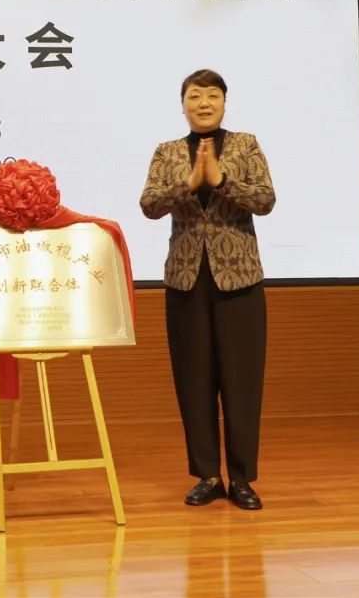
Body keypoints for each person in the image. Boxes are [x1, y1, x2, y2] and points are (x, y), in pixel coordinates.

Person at [139, 69, 275, 511]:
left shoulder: (246, 145)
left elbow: (266, 200)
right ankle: (208, 475)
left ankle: (241, 478)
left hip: (239, 280)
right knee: (193, 381)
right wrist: (190, 184)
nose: (203, 103)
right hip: (185, 281)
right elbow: (149, 205)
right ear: (183, 105)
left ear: (224, 103)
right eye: (195, 96)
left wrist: (221, 181)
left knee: (241, 380)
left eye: (212, 95)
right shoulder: (166, 151)